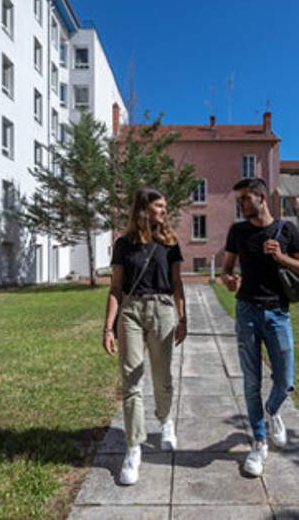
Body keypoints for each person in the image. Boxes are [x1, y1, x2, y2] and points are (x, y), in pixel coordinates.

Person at [221, 177, 299, 477]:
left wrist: (281, 257)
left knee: (285, 378)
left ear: (261, 198)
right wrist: (229, 280)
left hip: (278, 313)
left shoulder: (287, 230)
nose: (241, 204)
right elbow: (226, 269)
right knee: (251, 381)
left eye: (245, 198)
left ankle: (272, 410)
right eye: (239, 199)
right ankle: (259, 442)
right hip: (247, 311)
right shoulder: (238, 231)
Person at [102, 188, 187, 485]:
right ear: (143, 209)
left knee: (162, 376)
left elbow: (177, 284)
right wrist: (108, 327)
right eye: (159, 206)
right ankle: (133, 446)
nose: (164, 211)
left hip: (163, 310)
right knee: (131, 380)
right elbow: (115, 288)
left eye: (165, 206)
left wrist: (183, 318)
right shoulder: (123, 245)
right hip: (131, 312)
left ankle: (165, 420)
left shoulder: (170, 243)